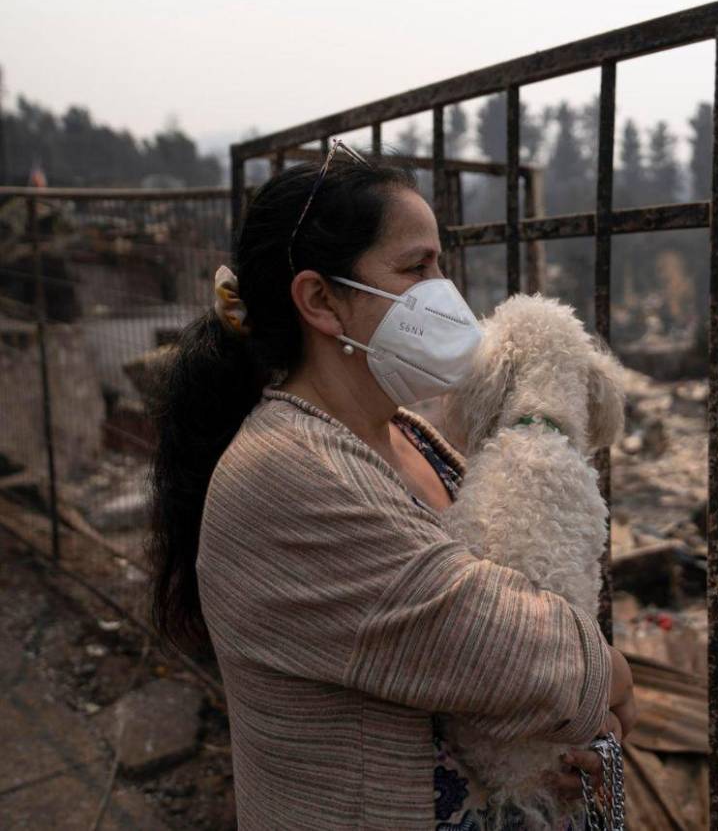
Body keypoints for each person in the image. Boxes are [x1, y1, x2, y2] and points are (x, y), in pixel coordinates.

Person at [147, 145, 636, 831]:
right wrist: (608, 675)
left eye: (440, 263)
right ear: (320, 300)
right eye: (416, 268)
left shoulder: (405, 431)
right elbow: (508, 652)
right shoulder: (282, 476)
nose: (446, 291)